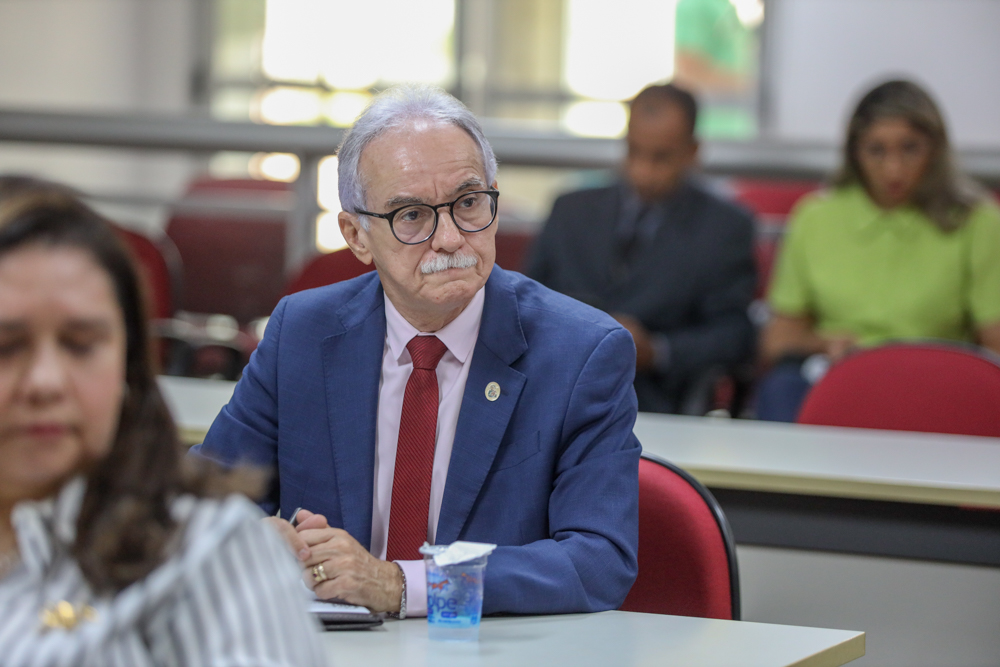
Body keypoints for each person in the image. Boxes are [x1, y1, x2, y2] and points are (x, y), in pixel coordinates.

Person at [192, 84, 640, 618]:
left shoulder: (581, 352)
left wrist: (403, 585)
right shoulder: (303, 334)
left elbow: (598, 562)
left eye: (468, 203)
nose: (449, 238)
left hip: (487, 650)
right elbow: (199, 506)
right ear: (356, 236)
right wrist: (246, 538)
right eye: (412, 215)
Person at [0, 190, 327, 666]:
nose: (45, 382)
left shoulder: (208, 550)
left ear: (128, 365)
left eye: (81, 344)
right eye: (6, 347)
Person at [757, 80, 1000, 422]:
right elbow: (778, 339)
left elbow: (994, 345)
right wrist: (825, 344)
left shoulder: (977, 221)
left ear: (936, 149)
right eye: (876, 150)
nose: (893, 169)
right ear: (854, 152)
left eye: (910, 149)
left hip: (934, 386)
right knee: (781, 390)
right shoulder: (816, 217)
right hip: (838, 377)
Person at [526, 83, 757, 414]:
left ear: (692, 152)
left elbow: (734, 335)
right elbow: (526, 301)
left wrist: (658, 351)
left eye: (661, 157)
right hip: (555, 387)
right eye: (634, 152)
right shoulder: (570, 211)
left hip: (654, 400)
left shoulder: (724, 228)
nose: (643, 171)